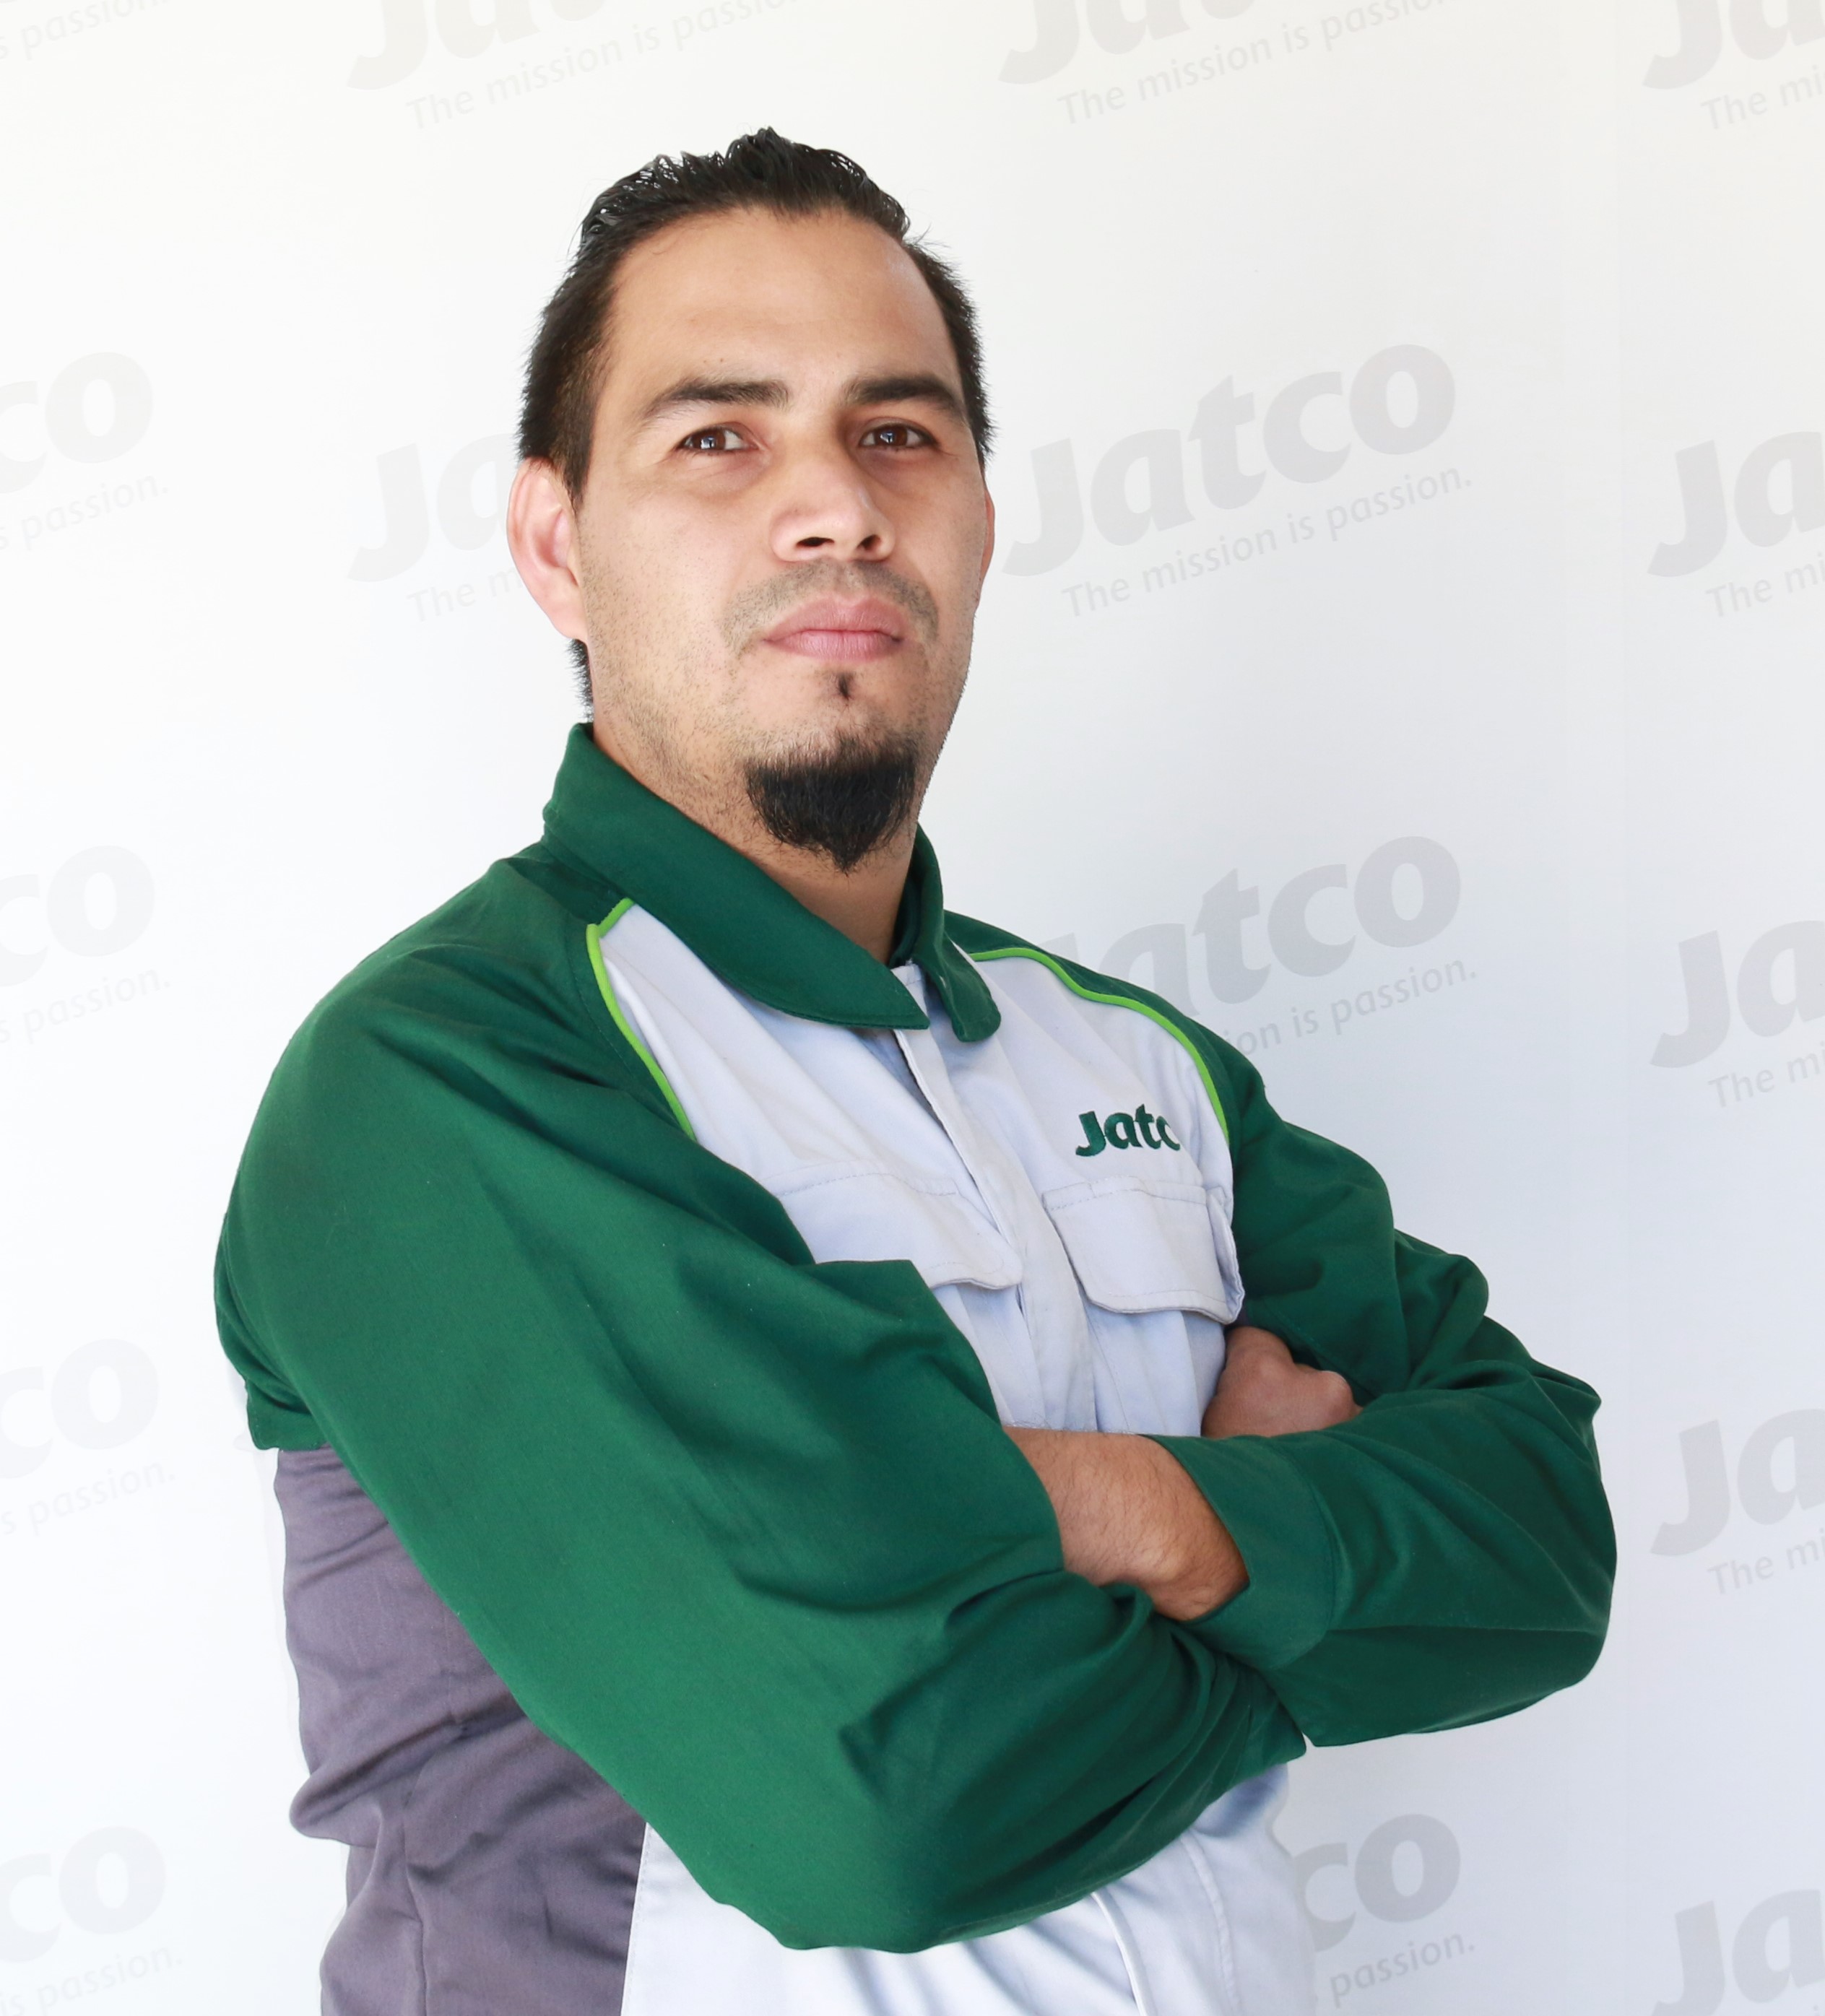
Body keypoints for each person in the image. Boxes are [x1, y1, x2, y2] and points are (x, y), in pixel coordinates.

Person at [215, 130, 1615, 2015]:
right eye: (720, 438)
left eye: (899, 433)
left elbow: (1544, 1554)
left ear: (977, 517)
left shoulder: (1143, 1067)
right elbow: (878, 1806)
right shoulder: (448, 1078)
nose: (836, 509)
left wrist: (1127, 1509)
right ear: (557, 545)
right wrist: (1292, 1582)